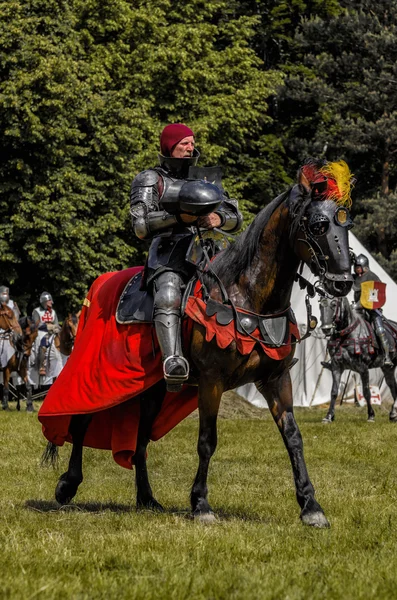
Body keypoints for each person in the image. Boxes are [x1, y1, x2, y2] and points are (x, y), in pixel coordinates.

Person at [130, 123, 243, 391]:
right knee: (168, 293)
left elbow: (235, 218)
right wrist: (179, 217)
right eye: (184, 143)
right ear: (170, 146)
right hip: (169, 251)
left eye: (192, 142)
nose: (190, 147)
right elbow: (140, 225)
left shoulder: (206, 180)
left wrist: (219, 217)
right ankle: (173, 360)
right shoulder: (151, 179)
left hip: (209, 249)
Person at [353, 253, 392, 367]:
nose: (356, 269)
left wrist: (361, 305)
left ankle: (387, 356)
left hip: (371, 309)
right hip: (358, 310)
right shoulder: (355, 278)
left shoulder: (372, 277)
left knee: (380, 330)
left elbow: (372, 295)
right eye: (355, 267)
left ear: (364, 266)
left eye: (358, 267)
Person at [32, 292, 60, 375]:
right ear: (44, 301)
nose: (51, 302)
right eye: (49, 301)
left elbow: (57, 324)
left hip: (53, 332)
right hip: (42, 332)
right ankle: (42, 366)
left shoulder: (53, 312)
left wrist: (56, 328)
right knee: (43, 344)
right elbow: (36, 324)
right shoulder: (36, 311)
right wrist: (47, 326)